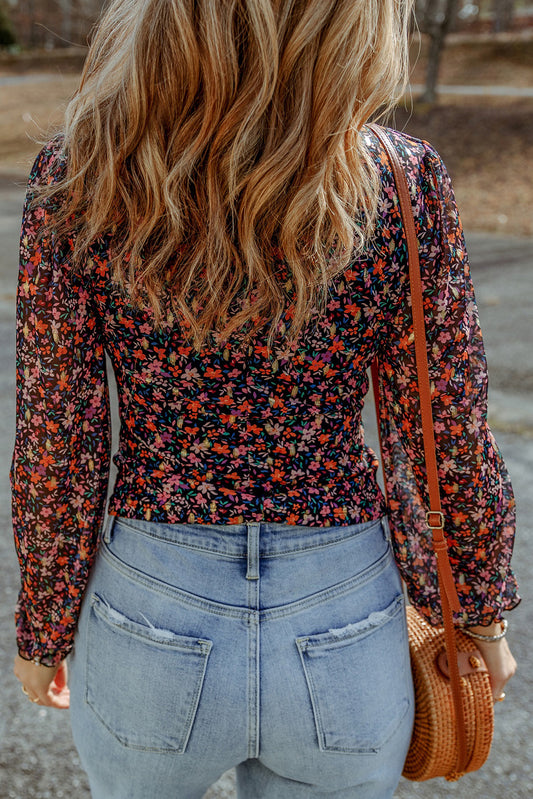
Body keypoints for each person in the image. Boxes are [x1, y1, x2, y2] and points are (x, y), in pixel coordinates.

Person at [12, 1, 519, 797]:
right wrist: (478, 611)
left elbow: (58, 437)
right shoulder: (400, 179)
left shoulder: (84, 173)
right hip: (341, 612)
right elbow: (441, 429)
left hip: (152, 600)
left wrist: (44, 626)